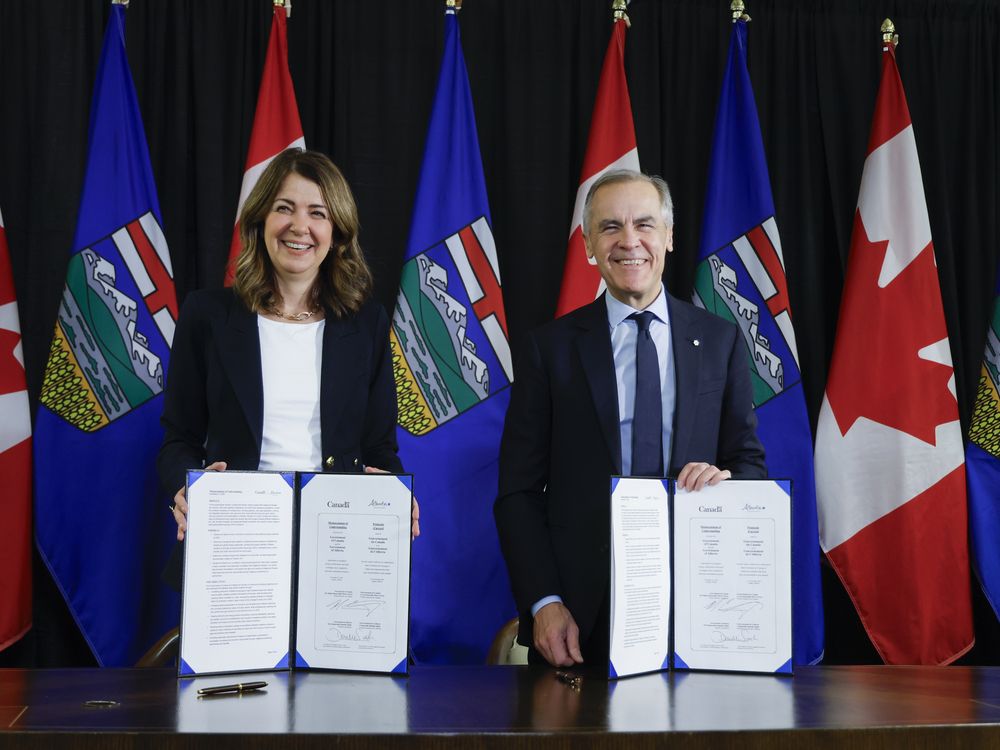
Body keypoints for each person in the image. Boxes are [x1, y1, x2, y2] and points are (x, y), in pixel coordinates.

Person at [494, 170, 765, 669]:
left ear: (668, 237)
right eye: (610, 227)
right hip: (580, 620)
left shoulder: (720, 342)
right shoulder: (548, 350)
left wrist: (725, 481)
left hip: (698, 608)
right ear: (590, 246)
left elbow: (749, 467)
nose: (629, 241)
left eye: (644, 224)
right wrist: (544, 603)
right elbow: (518, 492)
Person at [158, 148, 418, 558]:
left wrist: (397, 497)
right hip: (234, 538)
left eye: (318, 212)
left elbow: (379, 449)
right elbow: (179, 439)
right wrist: (184, 487)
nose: (300, 226)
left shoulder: (367, 324)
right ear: (261, 220)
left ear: (337, 232)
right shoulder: (206, 315)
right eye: (285, 208)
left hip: (337, 544)